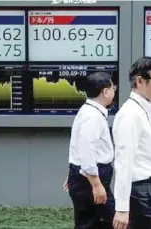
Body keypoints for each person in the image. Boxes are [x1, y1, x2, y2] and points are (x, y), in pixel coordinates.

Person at [112, 57, 151, 229]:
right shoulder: (130, 115)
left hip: (149, 188)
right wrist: (122, 209)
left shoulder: (143, 110)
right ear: (140, 81)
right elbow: (123, 162)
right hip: (142, 192)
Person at [64, 72, 117, 229]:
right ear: (105, 92)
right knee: (117, 220)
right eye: (113, 87)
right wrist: (95, 184)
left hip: (84, 176)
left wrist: (75, 173)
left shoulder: (87, 111)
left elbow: (79, 147)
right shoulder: (93, 116)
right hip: (91, 178)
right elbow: (87, 150)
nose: (115, 90)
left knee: (88, 222)